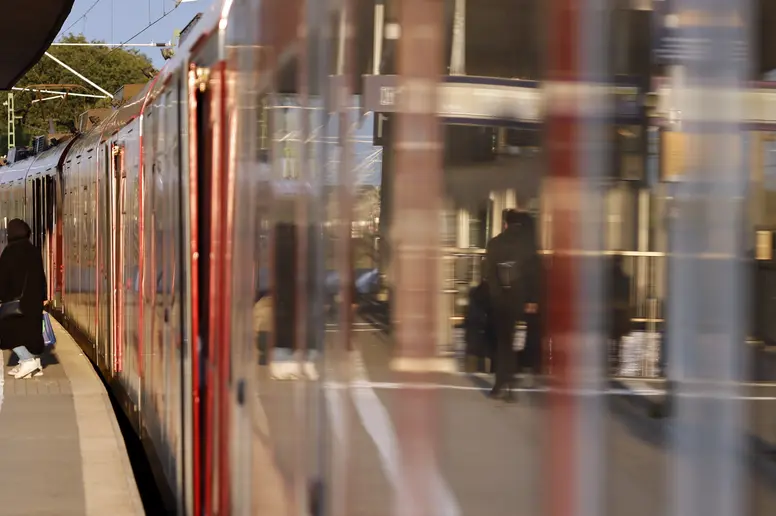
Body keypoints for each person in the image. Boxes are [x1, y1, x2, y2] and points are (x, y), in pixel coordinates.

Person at [484, 209, 540, 401]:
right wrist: (531, 299)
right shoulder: (527, 246)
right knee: (517, 340)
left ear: (505, 224)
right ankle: (511, 387)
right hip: (520, 298)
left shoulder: (495, 243)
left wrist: (495, 294)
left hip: (500, 299)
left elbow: (489, 273)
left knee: (503, 342)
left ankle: (500, 383)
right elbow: (533, 275)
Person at [0, 219, 47, 379]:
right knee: (29, 333)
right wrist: (44, 296)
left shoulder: (9, 252)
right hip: (32, 302)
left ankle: (28, 360)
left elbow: (3, 278)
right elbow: (41, 276)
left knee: (8, 332)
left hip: (15, 302)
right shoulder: (33, 250)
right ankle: (32, 364)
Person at [608, 254, 632, 374]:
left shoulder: (608, 278)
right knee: (617, 338)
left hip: (610, 310)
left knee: (611, 335)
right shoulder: (624, 278)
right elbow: (626, 297)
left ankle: (612, 356)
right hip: (619, 310)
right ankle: (616, 357)